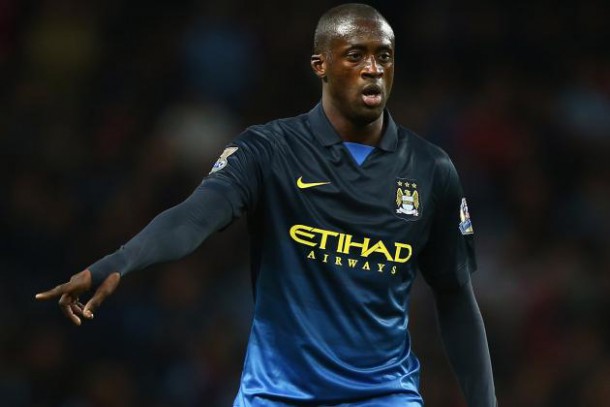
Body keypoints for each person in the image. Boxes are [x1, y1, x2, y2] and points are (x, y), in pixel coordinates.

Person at [36, 4, 497, 406]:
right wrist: (122, 260)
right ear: (320, 64)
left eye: (384, 56)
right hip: (278, 395)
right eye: (356, 55)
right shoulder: (269, 150)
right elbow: (195, 215)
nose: (373, 68)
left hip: (383, 395)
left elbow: (455, 296)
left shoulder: (430, 169)